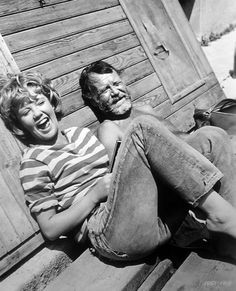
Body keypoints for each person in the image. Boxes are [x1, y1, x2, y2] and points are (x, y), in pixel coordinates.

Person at [1, 71, 236, 262]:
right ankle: (223, 217)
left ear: (51, 103)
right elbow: (50, 230)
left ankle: (227, 238)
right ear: (19, 125)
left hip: (145, 214)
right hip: (109, 233)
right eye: (26, 111)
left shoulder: (79, 134)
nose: (37, 113)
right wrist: (93, 196)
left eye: (39, 102)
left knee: (211, 135)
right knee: (141, 128)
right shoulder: (33, 161)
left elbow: (123, 170)